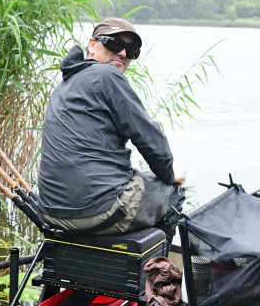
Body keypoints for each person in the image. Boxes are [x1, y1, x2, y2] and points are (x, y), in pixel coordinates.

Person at [37, 18, 185, 239]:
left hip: (51, 213)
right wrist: (170, 173)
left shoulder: (65, 85)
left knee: (139, 180)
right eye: (114, 43)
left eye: (132, 50)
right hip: (99, 211)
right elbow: (148, 137)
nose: (123, 54)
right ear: (92, 45)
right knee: (172, 190)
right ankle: (158, 269)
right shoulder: (107, 75)